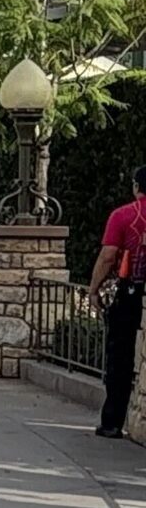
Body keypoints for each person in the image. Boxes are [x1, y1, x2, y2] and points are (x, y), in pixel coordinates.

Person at [91, 165, 146, 439]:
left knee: (120, 358)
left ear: (136, 186)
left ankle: (112, 422)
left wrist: (93, 289)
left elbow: (108, 256)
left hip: (130, 292)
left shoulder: (123, 215)